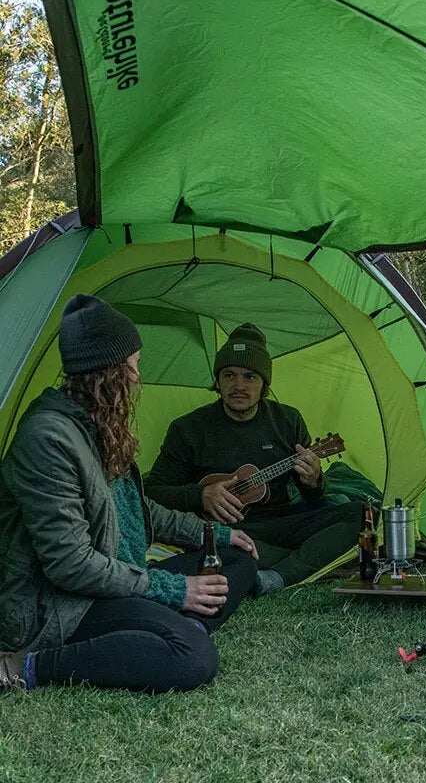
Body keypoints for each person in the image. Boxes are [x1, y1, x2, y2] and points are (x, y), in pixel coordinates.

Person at [0, 295, 258, 693]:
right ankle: (30, 665)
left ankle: (161, 629)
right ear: (107, 373)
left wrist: (215, 535)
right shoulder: (48, 439)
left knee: (236, 559)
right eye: (133, 366)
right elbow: (71, 564)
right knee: (193, 656)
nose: (138, 378)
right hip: (59, 603)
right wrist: (173, 590)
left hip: (121, 575)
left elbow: (140, 511)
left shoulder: (96, 424)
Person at [144, 323, 363, 595]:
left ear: (264, 384)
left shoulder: (287, 420)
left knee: (360, 514)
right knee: (227, 554)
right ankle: (298, 560)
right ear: (218, 380)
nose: (238, 385)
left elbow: (314, 499)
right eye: (229, 375)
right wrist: (200, 496)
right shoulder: (187, 429)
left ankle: (275, 575)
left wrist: (314, 480)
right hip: (225, 532)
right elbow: (151, 494)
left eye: (250, 377)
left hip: (282, 523)